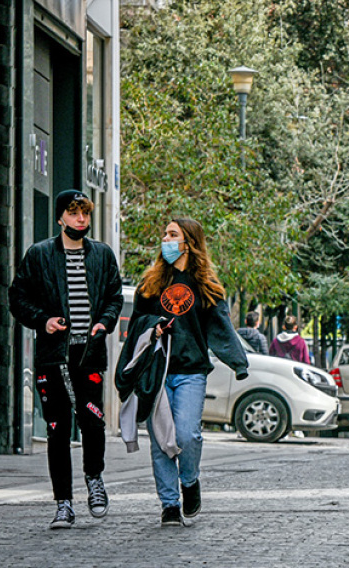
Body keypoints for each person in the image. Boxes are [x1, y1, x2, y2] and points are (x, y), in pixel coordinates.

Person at [116, 218, 249, 527]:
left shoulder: (205, 285)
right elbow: (135, 326)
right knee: (161, 439)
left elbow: (220, 326)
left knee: (187, 435)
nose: (166, 239)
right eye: (165, 233)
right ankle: (169, 505)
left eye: (172, 234)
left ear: (189, 243)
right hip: (157, 372)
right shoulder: (150, 284)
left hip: (191, 371)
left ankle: (189, 480)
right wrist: (154, 327)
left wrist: (239, 363)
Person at [8, 190, 123, 530]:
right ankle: (63, 504)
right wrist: (43, 320)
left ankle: (94, 479)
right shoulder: (40, 255)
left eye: (85, 214)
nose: (81, 220)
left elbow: (114, 296)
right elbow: (18, 297)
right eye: (74, 214)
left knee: (93, 421)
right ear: (60, 218)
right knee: (57, 430)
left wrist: (105, 322)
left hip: (88, 355)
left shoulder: (102, 255)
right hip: (53, 356)